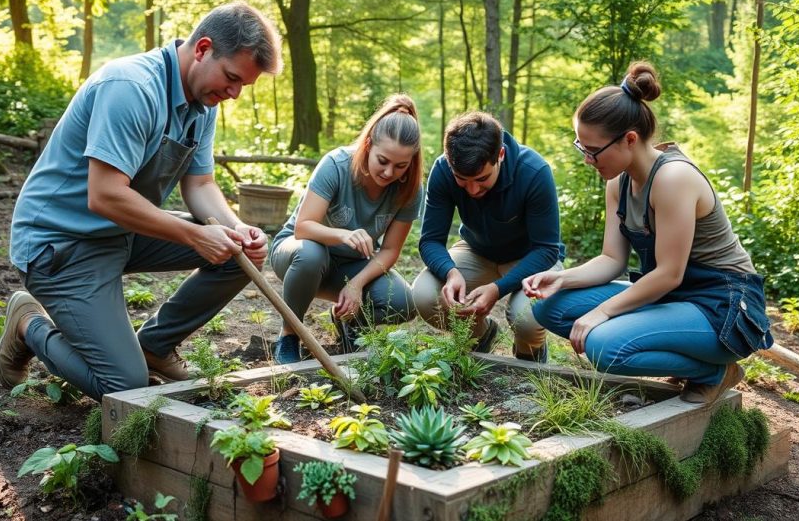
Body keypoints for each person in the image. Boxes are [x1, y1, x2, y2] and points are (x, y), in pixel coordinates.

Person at [0, 2, 284, 400]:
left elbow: (200, 185)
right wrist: (194, 235)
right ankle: (29, 324)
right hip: (62, 245)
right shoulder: (131, 87)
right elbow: (105, 196)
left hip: (122, 231)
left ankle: (154, 345)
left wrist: (235, 229)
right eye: (232, 78)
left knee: (241, 255)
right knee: (125, 387)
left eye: (242, 86)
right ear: (202, 48)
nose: (234, 93)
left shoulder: (203, 103)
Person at [523, 62, 773, 404]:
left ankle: (715, 372)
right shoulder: (618, 183)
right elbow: (612, 260)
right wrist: (561, 279)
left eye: (593, 150)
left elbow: (669, 273)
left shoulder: (673, 179)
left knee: (604, 347)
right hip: (673, 297)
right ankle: (688, 359)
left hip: (721, 303)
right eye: (581, 148)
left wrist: (603, 311)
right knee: (548, 307)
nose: (587, 160)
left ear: (629, 139)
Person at [269, 95, 423, 364]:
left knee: (404, 302)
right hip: (298, 254)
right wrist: (343, 234)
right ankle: (289, 335)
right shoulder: (337, 165)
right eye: (383, 160)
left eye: (401, 166)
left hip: (351, 266)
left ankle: (350, 322)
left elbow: (389, 251)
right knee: (311, 254)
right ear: (368, 145)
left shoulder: (409, 190)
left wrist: (356, 284)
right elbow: (303, 228)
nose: (389, 173)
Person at [412, 111, 565, 362]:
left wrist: (497, 289)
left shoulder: (534, 171)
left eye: (482, 179)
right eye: (462, 179)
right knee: (426, 295)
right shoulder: (442, 170)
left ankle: (530, 353)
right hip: (476, 250)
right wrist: (451, 273)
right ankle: (480, 337)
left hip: (531, 258)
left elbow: (547, 249)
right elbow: (430, 240)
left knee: (525, 318)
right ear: (450, 163)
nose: (473, 189)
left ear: (500, 155)